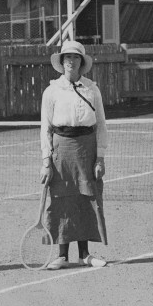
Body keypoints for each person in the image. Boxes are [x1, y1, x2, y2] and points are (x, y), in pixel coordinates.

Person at [40, 40, 108, 269]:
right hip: (61, 150)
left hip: (86, 149)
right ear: (61, 62)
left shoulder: (92, 89)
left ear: (81, 62)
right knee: (62, 199)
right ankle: (61, 255)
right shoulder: (51, 91)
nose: (71, 61)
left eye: (75, 57)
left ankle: (85, 254)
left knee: (85, 198)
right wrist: (46, 162)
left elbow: (101, 124)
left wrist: (100, 158)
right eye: (67, 57)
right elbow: (45, 129)